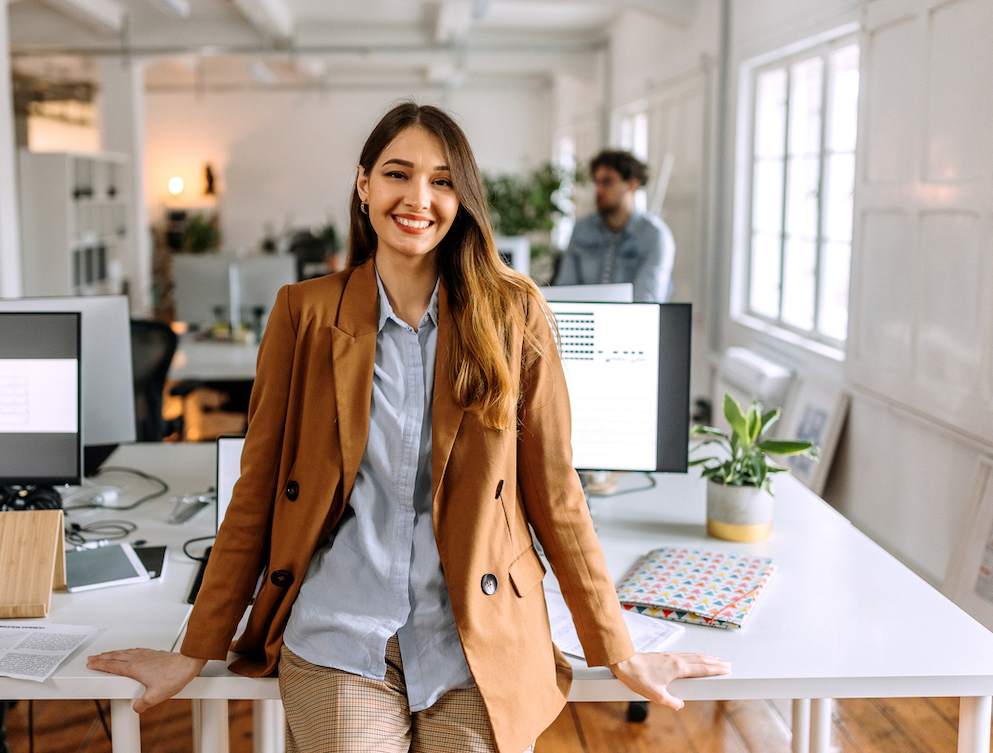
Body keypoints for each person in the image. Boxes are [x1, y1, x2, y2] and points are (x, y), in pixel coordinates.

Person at [87, 103, 727, 753]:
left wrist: (617, 648)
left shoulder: (515, 313)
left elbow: (558, 495)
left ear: (462, 197)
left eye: (443, 180)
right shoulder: (303, 313)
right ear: (364, 185)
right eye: (398, 173)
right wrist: (196, 647)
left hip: (474, 636)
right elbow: (258, 492)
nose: (419, 197)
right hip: (342, 632)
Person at [553, 149, 675, 303]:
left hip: (631, 324)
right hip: (585, 323)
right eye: (596, 182)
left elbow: (646, 303)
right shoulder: (582, 229)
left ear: (632, 184)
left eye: (607, 181)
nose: (599, 190)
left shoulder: (655, 236)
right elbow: (565, 292)